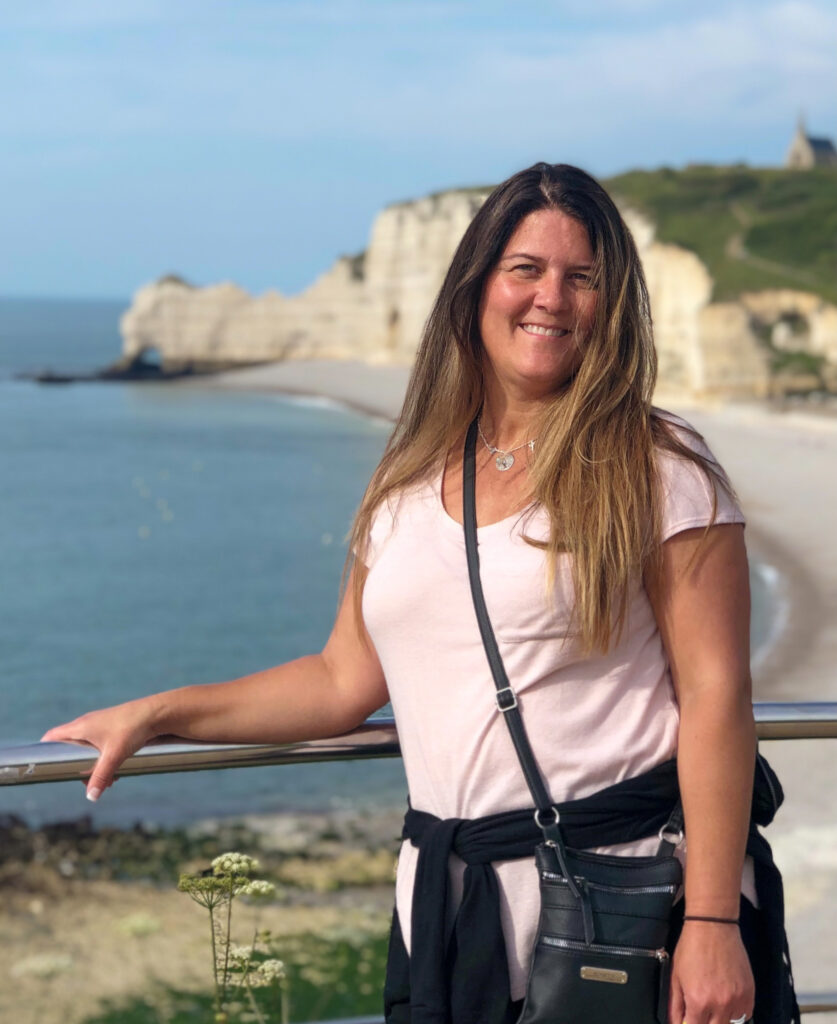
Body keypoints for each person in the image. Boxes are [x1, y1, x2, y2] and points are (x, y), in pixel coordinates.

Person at [44, 163, 796, 1024]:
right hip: (450, 921)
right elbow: (339, 681)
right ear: (475, 288)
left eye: (582, 277)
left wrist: (709, 922)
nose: (551, 297)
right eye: (525, 269)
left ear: (610, 302)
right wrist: (158, 713)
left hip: (622, 914)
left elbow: (714, 695)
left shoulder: (658, 467)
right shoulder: (406, 484)